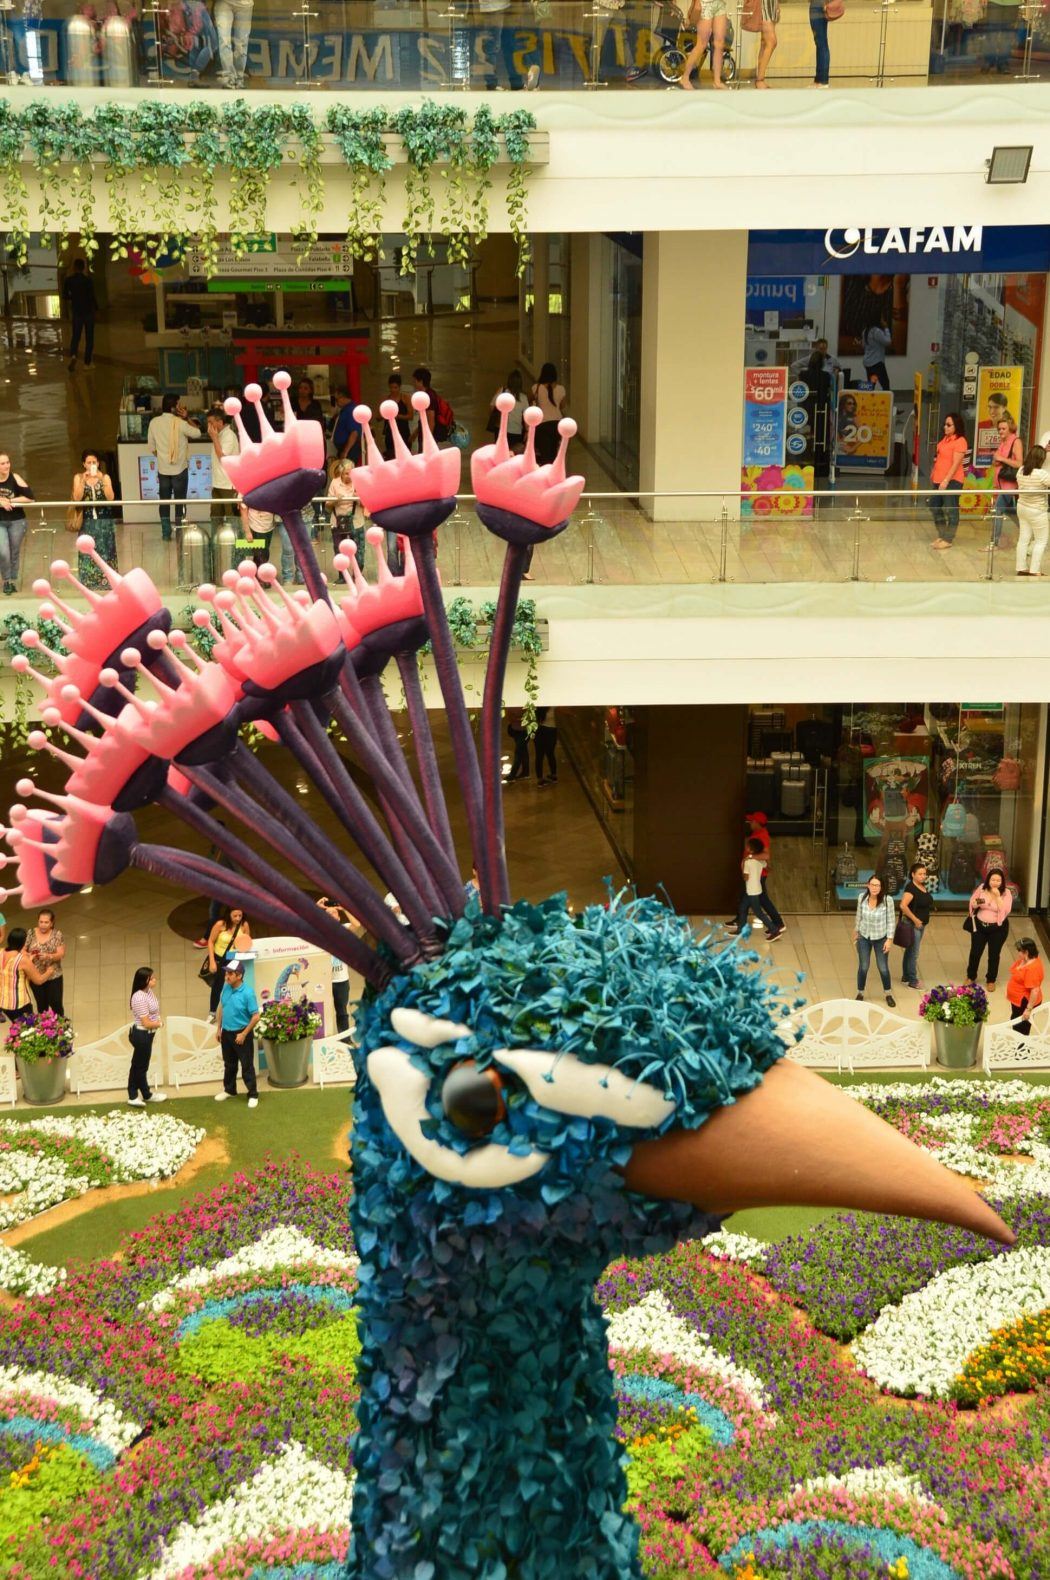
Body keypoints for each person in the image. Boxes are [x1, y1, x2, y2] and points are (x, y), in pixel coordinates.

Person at [147, 394, 200, 542]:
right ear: (173, 408)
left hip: (163, 470)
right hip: (180, 470)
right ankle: (179, 532)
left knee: (164, 501)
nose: (180, 407)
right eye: (178, 405)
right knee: (180, 501)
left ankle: (165, 533)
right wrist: (187, 417)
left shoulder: (154, 423)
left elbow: (151, 446)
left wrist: (162, 457)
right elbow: (197, 433)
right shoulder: (181, 423)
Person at [214, 960, 260, 1105]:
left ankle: (253, 1094)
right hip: (226, 1033)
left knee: (247, 1065)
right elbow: (222, 1007)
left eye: (230, 973)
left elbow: (256, 1016)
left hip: (242, 1034)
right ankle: (229, 1090)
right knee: (229, 1064)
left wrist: (244, 1034)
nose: (226, 976)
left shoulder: (248, 993)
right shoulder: (226, 988)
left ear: (239, 976)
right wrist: (219, 1028)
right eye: (226, 973)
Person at [735, 810, 786, 940]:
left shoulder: (760, 838)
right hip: (755, 884)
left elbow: (766, 855)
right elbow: (766, 863)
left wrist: (746, 860)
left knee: (759, 909)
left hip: (753, 886)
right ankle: (740, 927)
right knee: (745, 905)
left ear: (757, 823)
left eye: (752, 821)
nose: (750, 822)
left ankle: (776, 927)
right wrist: (765, 866)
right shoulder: (758, 835)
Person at [72, 450, 117, 591]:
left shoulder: (105, 477)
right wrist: (84, 481)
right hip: (87, 521)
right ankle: (88, 582)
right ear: (84, 464)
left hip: (104, 521)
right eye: (89, 462)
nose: (92, 465)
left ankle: (107, 580)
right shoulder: (78, 478)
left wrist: (102, 480)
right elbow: (77, 498)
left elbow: (110, 498)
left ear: (98, 463)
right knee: (87, 550)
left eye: (94, 462)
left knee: (106, 550)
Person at [318, 897, 363, 1035]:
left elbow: (358, 926)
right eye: (328, 913)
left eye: (334, 913)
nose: (332, 915)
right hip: (323, 980)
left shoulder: (344, 930)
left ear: (338, 917)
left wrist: (344, 909)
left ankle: (345, 1038)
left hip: (341, 979)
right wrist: (317, 907)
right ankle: (323, 1039)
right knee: (320, 1011)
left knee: (342, 1012)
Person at [965, 869, 1013, 990]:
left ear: (1002, 882)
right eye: (993, 880)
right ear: (988, 880)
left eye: (998, 880)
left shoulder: (1006, 893)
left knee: (994, 954)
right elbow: (973, 903)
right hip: (980, 927)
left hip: (997, 929)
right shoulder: (982, 888)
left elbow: (1005, 910)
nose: (995, 882)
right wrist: (981, 901)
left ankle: (991, 980)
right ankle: (971, 976)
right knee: (975, 952)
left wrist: (997, 897)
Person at [853, 873, 896, 1005]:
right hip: (864, 937)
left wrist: (889, 939)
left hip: (881, 938)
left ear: (881, 887)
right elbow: (859, 915)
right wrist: (856, 931)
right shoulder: (862, 898)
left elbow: (891, 921)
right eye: (872, 885)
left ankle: (888, 993)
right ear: (868, 885)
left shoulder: (887, 900)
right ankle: (860, 992)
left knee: (883, 967)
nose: (875, 888)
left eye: (877, 885)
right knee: (863, 966)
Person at [928, 412, 969, 550]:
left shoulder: (960, 441)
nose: (945, 427)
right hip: (939, 479)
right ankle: (943, 534)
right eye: (945, 424)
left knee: (951, 509)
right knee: (934, 505)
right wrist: (934, 472)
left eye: (949, 425)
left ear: (956, 426)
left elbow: (956, 464)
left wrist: (946, 480)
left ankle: (948, 538)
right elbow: (939, 458)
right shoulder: (944, 440)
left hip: (952, 481)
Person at [128, 966, 166, 1105]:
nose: (155, 979)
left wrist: (157, 1021)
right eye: (152, 978)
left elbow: (154, 1011)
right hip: (142, 1034)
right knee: (140, 1066)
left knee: (138, 1065)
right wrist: (159, 1024)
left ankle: (140, 1094)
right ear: (145, 981)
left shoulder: (149, 992)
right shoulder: (139, 997)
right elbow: (146, 1023)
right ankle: (138, 1095)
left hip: (148, 1035)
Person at [206, 906, 252, 1019]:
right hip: (220, 958)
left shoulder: (244, 925)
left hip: (235, 958)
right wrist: (212, 961)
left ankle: (238, 1010)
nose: (237, 918)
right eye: (235, 916)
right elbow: (211, 941)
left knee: (237, 984)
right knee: (217, 986)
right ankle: (212, 1013)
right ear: (229, 914)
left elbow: (247, 941)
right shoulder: (220, 924)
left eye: (240, 916)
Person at [0, 452, 34, 596]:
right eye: (2, 463)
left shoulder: (15, 477)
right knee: (3, 553)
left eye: (7, 462)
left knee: (14, 552)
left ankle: (12, 581)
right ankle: (6, 580)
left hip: (17, 521)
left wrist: (10, 501)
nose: (6, 465)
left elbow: (30, 498)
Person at [0, 928, 49, 1027]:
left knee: (17, 1027)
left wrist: (28, 959)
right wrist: (49, 971)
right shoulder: (22, 960)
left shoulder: (1, 952)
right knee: (28, 1032)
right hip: (20, 1004)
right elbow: (38, 980)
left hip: (3, 1002)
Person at [1015, 443, 1050, 578]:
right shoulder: (1042, 474)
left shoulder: (1021, 470)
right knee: (1041, 540)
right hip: (1037, 511)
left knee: (1023, 539)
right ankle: (1034, 570)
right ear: (1041, 460)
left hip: (1022, 508)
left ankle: (1021, 567)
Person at [679, 0, 728, 90]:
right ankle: (685, 78)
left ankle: (717, 81)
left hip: (720, 4)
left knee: (719, 44)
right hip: (705, 4)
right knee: (701, 44)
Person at [991, 414, 1023, 548]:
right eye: (999, 429)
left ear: (1010, 428)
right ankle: (1027, 531)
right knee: (1011, 512)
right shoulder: (1002, 442)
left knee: (997, 510)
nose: (1000, 431)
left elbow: (1019, 463)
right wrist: (996, 460)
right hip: (1000, 483)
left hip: (1009, 485)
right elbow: (996, 461)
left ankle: (994, 543)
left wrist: (1002, 459)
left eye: (1003, 429)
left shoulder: (1016, 441)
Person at [898, 862, 932, 989]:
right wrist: (915, 919)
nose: (923, 876)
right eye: (920, 874)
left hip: (921, 925)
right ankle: (913, 980)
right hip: (913, 925)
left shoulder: (922, 886)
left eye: (924, 874)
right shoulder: (911, 888)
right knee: (914, 953)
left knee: (910, 951)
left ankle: (906, 976)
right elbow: (903, 905)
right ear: (913, 874)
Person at [25, 910, 65, 1016]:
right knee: (42, 1005)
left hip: (53, 974)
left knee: (56, 1003)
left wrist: (49, 956)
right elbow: (23, 950)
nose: (43, 925)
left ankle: (62, 1026)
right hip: (35, 975)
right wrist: (29, 956)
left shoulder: (57, 934)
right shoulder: (31, 933)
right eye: (41, 922)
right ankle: (46, 1028)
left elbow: (61, 954)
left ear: (51, 923)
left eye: (46, 922)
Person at [327, 457, 366, 565]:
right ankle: (342, 575)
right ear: (341, 473)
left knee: (359, 550)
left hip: (356, 522)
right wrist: (335, 500)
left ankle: (358, 575)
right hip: (338, 522)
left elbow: (366, 505)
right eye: (346, 474)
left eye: (351, 473)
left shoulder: (359, 482)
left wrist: (359, 498)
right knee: (339, 549)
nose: (349, 476)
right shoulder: (334, 483)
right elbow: (327, 506)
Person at [62, 257, 97, 371]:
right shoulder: (88, 280)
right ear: (84, 268)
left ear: (74, 268)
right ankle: (87, 363)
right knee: (89, 337)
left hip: (77, 311)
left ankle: (73, 355)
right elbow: (92, 297)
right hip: (88, 312)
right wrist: (97, 310)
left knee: (76, 336)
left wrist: (74, 297)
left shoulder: (69, 280)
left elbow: (65, 296)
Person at [529, 363, 568, 466]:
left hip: (542, 424)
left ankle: (546, 473)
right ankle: (553, 473)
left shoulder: (536, 388)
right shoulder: (561, 389)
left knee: (544, 454)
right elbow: (563, 406)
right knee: (554, 452)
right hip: (557, 424)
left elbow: (530, 402)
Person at [208, 409, 240, 531]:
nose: (209, 426)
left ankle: (237, 547)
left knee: (232, 518)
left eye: (211, 422)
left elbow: (222, 456)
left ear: (220, 422)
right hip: (217, 483)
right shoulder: (220, 435)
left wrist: (214, 437)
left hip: (228, 484)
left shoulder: (229, 436)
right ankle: (216, 545)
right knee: (216, 516)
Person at [1007, 936, 1042, 1035]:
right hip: (1018, 1002)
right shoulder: (1027, 959)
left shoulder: (1032, 969)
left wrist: (1028, 1009)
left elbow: (1035, 990)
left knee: (1021, 1028)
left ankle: (1022, 1049)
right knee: (1016, 1022)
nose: (1018, 953)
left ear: (1026, 952)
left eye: (1020, 951)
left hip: (1025, 1003)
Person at [215, 0, 253, 87]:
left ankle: (239, 78)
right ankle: (229, 77)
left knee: (242, 43)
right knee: (224, 40)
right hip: (223, 3)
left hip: (245, 5)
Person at [490, 371, 529, 455]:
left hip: (501, 429)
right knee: (513, 455)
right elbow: (527, 417)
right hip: (517, 431)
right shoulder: (523, 397)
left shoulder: (502, 391)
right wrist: (527, 431)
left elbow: (492, 406)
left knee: (500, 454)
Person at [382, 374, 413, 460]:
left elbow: (411, 416)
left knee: (405, 458)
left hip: (404, 432)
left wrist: (397, 416)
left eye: (395, 387)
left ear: (400, 387)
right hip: (389, 433)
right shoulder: (386, 399)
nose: (393, 390)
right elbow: (378, 417)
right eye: (391, 387)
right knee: (391, 458)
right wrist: (384, 414)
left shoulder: (406, 398)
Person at [331, 388, 362, 462]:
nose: (336, 402)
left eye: (336, 399)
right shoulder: (344, 410)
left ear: (342, 397)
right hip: (343, 448)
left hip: (349, 449)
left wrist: (345, 451)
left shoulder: (351, 410)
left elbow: (354, 433)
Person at [754, 0, 779, 86]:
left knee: (765, 42)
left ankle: (760, 78)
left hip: (771, 4)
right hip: (764, 3)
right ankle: (759, 80)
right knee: (771, 41)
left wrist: (777, 5)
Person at [862, 320, 892, 390]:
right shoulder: (876, 331)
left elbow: (863, 345)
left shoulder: (865, 331)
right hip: (877, 363)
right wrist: (886, 328)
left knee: (871, 385)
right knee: (885, 384)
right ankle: (885, 400)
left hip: (868, 362)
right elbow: (888, 341)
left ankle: (869, 400)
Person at [535, 706, 558, 786]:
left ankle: (540, 779)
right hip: (551, 731)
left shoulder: (538, 707)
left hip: (540, 730)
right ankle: (554, 775)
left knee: (539, 756)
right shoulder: (552, 706)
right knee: (550, 753)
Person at [506, 708, 531, 781]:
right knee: (523, 751)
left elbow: (529, 717)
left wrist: (516, 718)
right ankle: (525, 773)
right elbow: (510, 718)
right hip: (515, 731)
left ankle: (512, 774)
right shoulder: (512, 705)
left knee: (518, 752)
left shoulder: (526, 705)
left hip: (525, 731)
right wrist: (520, 718)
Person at [809, 0, 831, 85]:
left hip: (819, 7)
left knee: (821, 44)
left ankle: (822, 80)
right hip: (818, 6)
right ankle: (819, 79)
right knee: (820, 44)